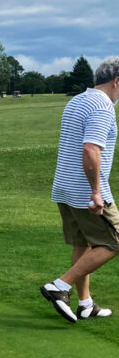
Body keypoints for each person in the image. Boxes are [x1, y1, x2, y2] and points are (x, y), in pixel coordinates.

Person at [40, 57, 119, 322]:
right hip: (86, 191)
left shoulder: (78, 100)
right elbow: (90, 149)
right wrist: (96, 192)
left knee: (83, 243)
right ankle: (60, 286)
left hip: (64, 188)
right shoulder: (103, 106)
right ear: (117, 81)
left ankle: (85, 303)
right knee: (114, 241)